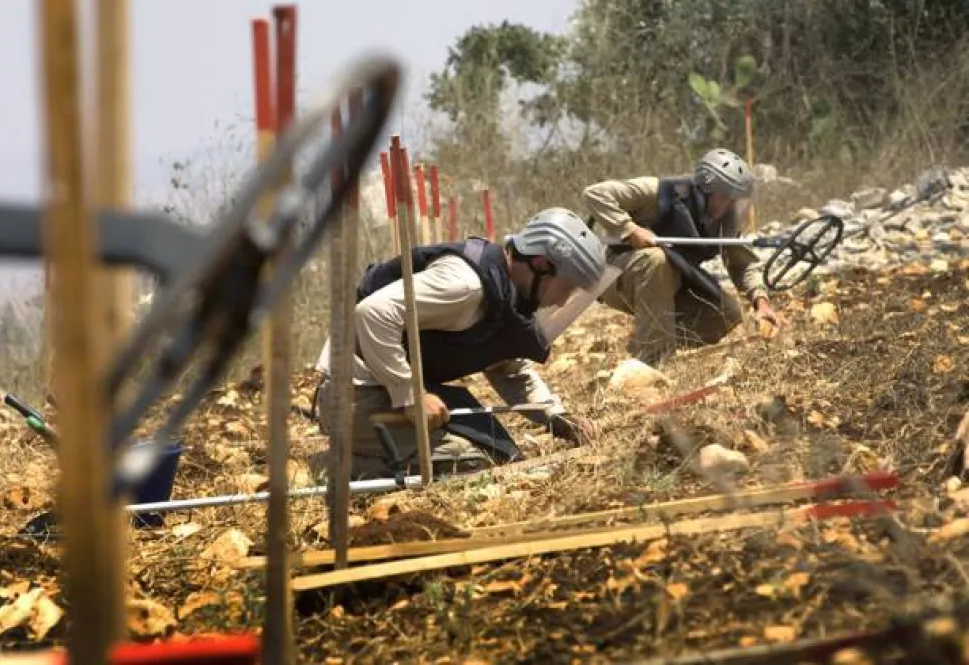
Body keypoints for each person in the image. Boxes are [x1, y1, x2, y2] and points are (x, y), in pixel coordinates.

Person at [312, 207, 609, 480]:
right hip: (353, 396)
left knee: (498, 451)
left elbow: (510, 370)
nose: (562, 300)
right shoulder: (465, 285)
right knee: (469, 461)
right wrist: (410, 394)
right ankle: (332, 467)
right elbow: (372, 313)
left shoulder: (505, 297)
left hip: (386, 392)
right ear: (543, 265)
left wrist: (557, 418)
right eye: (566, 288)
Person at [581, 147, 782, 366]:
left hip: (671, 282)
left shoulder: (726, 220)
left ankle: (647, 340)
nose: (729, 205)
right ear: (707, 188)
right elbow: (595, 194)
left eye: (734, 199)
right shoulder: (659, 192)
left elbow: (742, 264)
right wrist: (630, 229)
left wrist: (761, 302)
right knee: (656, 260)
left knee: (727, 312)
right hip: (617, 276)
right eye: (724, 197)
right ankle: (652, 359)